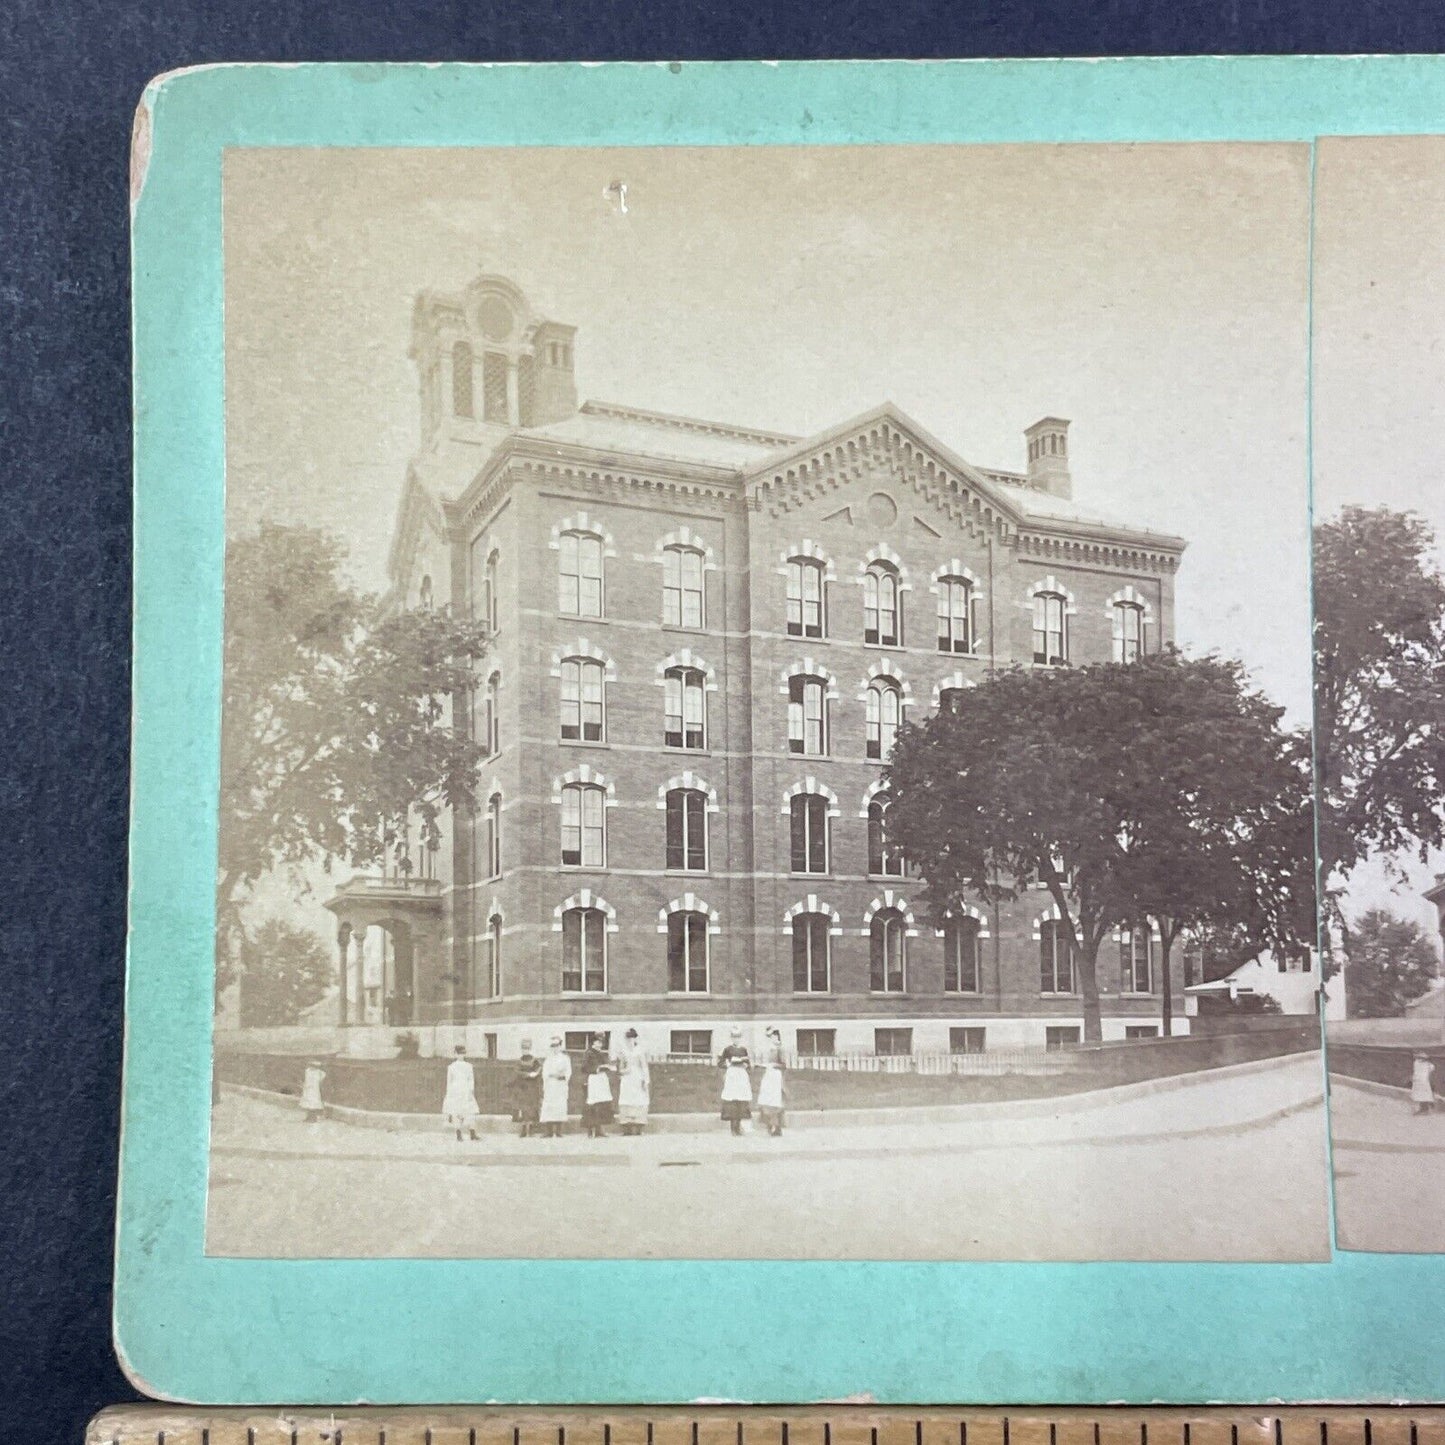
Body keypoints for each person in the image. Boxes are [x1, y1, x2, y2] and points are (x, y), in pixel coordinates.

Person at [718, 1026, 754, 1136]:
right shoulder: (728, 1049)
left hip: (741, 1075)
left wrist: (745, 1064)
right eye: (734, 1037)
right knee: (732, 1100)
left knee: (741, 1099)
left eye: (738, 1037)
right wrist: (728, 1063)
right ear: (731, 1038)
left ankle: (739, 1127)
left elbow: (748, 1064)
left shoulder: (743, 1050)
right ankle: (733, 1128)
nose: (736, 1039)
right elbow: (721, 1063)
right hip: (732, 1075)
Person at [615, 1027, 651, 1136]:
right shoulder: (623, 1051)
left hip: (637, 1076)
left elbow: (644, 1066)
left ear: (635, 1039)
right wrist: (623, 1071)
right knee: (626, 1099)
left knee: (639, 1099)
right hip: (627, 1078)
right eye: (628, 1039)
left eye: (632, 1039)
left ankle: (639, 1128)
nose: (630, 1041)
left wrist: (645, 1080)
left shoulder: (640, 1050)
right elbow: (620, 1067)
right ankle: (626, 1128)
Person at [443, 1043, 481, 1142]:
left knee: (470, 1112)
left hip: (466, 1090)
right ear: (455, 1054)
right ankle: (458, 1134)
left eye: (462, 1053)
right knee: (456, 1111)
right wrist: (449, 1094)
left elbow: (471, 1079)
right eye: (458, 1053)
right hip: (455, 1091)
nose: (461, 1055)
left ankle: (472, 1133)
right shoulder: (451, 1067)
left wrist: (470, 1090)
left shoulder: (468, 1066)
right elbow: (449, 1081)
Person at [582, 1031, 615, 1137]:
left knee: (602, 1104)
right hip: (594, 1080)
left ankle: (599, 1129)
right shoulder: (589, 1053)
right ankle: (590, 1129)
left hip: (601, 1080)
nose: (600, 1044)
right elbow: (584, 1068)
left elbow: (605, 1064)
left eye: (601, 1043)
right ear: (593, 1043)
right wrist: (596, 1069)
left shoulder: (600, 1053)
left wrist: (607, 1067)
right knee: (593, 1104)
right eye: (598, 1042)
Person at [540, 1034, 572, 1138]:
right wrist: (550, 1076)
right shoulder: (548, 1059)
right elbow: (545, 1072)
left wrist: (562, 1076)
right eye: (553, 1046)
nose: (555, 1048)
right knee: (549, 1107)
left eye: (557, 1045)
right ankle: (549, 1131)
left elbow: (568, 1071)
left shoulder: (565, 1058)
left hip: (560, 1085)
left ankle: (558, 1131)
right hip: (550, 1085)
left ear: (560, 1046)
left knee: (560, 1106)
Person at [757, 1026, 786, 1137]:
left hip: (775, 1076)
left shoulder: (779, 1049)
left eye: (774, 1036)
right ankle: (770, 1125)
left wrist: (774, 1065)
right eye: (770, 1037)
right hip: (768, 1075)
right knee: (766, 1100)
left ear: (778, 1037)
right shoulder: (768, 1050)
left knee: (775, 1101)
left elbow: (783, 1065)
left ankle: (776, 1126)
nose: (772, 1039)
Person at [511, 1036, 543, 1137]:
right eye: (523, 1048)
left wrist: (536, 1073)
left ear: (530, 1049)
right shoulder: (519, 1061)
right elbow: (517, 1072)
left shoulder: (535, 1060)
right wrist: (528, 1075)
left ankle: (531, 1128)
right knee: (523, 1108)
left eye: (527, 1048)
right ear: (521, 1049)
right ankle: (524, 1128)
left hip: (532, 1088)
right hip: (522, 1087)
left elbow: (539, 1069)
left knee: (532, 1108)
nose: (525, 1050)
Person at [299, 1059, 326, 1124]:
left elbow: (321, 1081)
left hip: (315, 1090)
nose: (312, 1067)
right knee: (307, 1103)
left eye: (314, 1066)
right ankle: (309, 1116)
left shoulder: (320, 1073)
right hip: (308, 1089)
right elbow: (306, 1079)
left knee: (313, 1103)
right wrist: (304, 1085)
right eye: (311, 1065)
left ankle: (313, 1117)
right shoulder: (307, 1071)